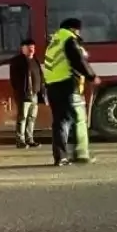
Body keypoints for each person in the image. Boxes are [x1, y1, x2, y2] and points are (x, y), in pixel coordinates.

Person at [43, 18, 98, 166]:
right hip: (67, 85)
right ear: (74, 29)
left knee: (59, 122)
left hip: (52, 86)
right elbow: (78, 60)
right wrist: (91, 77)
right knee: (78, 119)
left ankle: (60, 156)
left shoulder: (53, 43)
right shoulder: (69, 39)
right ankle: (81, 154)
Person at [8, 38, 44, 149]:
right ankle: (20, 140)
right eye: (28, 48)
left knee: (32, 118)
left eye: (32, 48)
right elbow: (13, 79)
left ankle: (30, 139)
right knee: (22, 118)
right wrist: (20, 91)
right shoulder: (17, 61)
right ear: (22, 49)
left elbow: (40, 76)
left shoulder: (35, 61)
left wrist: (40, 90)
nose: (31, 50)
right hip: (23, 94)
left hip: (35, 94)